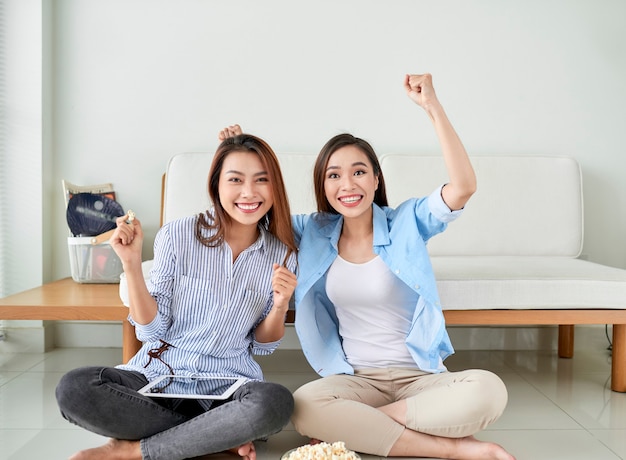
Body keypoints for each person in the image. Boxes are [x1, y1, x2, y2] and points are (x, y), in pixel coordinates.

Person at [220, 73, 514, 460]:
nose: (348, 184)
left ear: (376, 179)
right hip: (354, 380)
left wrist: (432, 107)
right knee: (304, 404)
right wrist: (234, 155)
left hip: (420, 379)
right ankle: (452, 450)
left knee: (489, 390)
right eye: (334, 175)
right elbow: (255, 211)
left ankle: (364, 425)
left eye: (359, 172)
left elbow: (462, 186)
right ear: (323, 186)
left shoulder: (407, 221)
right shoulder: (313, 231)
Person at [55, 133, 298, 460]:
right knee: (74, 388)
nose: (249, 192)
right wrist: (131, 263)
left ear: (275, 187)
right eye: (235, 180)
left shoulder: (282, 253)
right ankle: (215, 436)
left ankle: (133, 450)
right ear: (216, 186)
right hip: (157, 377)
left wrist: (280, 305)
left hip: (229, 386)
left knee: (275, 403)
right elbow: (151, 331)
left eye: (261, 180)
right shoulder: (178, 234)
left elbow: (263, 346)